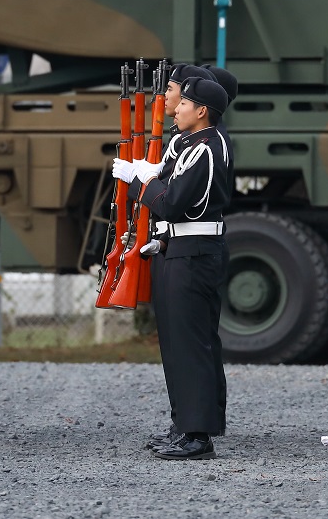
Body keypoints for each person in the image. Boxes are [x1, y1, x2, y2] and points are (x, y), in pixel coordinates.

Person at [114, 76, 232, 460]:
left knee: (191, 344)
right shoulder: (196, 144)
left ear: (201, 112)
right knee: (179, 344)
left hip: (196, 253)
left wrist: (137, 182)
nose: (175, 107)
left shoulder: (205, 148)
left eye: (184, 104)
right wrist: (163, 240)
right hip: (183, 246)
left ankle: (198, 435)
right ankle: (186, 425)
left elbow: (174, 202)